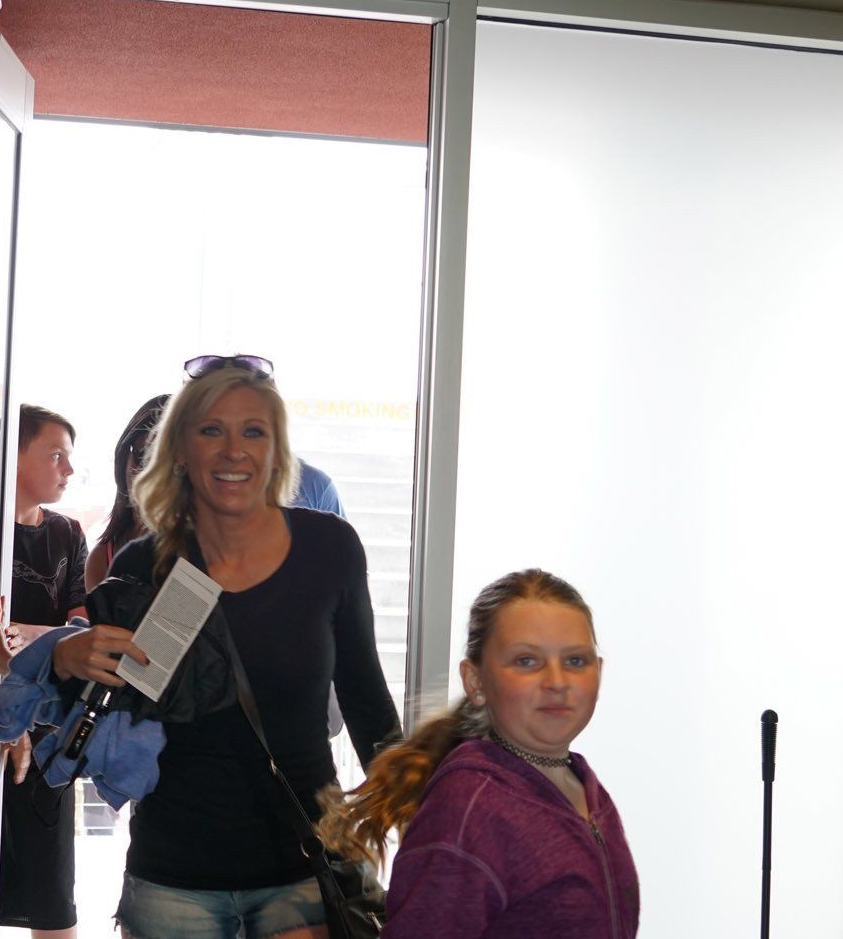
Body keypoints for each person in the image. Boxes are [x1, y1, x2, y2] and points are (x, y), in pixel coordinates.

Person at [52, 354, 401, 939]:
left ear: (277, 449)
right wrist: (67, 660)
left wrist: (420, 817)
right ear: (181, 450)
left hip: (305, 868)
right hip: (174, 878)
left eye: (253, 431)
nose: (232, 450)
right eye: (211, 429)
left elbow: (366, 701)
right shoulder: (151, 563)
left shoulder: (327, 549)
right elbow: (127, 714)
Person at [319, 568, 640, 939]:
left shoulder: (586, 788)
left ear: (599, 672)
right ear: (476, 682)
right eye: (526, 661)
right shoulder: (470, 809)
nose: (557, 681)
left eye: (575, 661)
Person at [0, 404, 89, 939]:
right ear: (12, 456)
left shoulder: (68, 534)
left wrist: (18, 636)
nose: (67, 471)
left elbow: (78, 632)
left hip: (49, 735)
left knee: (53, 900)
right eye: (56, 456)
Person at [84, 394, 169, 593]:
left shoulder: (206, 549)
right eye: (142, 456)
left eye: (164, 461)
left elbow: (176, 624)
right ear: (124, 457)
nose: (149, 473)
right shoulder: (101, 558)